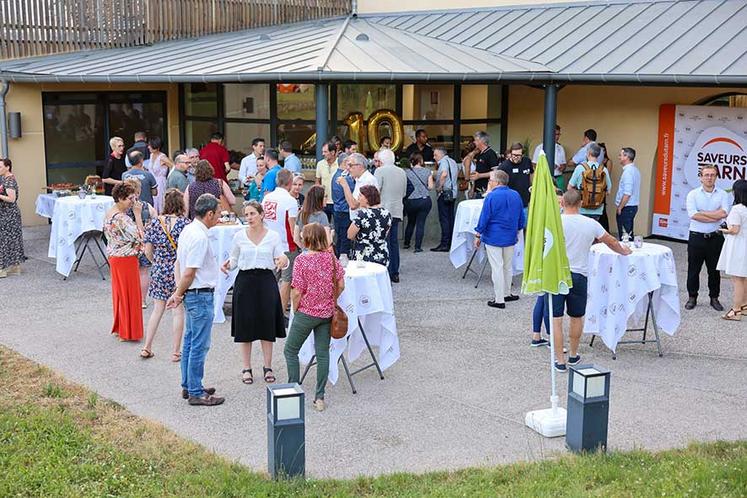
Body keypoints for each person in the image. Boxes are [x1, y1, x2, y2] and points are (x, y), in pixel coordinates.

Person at [553, 189, 631, 371]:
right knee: (576, 317)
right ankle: (573, 354)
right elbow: (610, 240)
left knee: (556, 319)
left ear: (562, 203)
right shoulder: (590, 223)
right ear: (580, 204)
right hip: (579, 274)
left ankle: (559, 360)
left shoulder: (555, 222)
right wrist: (624, 251)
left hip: (558, 275)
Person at [221, 201, 289, 385]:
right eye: (246, 214)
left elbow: (282, 256)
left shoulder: (273, 236)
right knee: (245, 326)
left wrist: (284, 260)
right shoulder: (239, 236)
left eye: (252, 213)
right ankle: (246, 368)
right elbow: (234, 258)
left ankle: (268, 366)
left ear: (261, 215)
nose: (249, 218)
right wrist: (228, 264)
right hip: (245, 281)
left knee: (267, 326)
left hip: (266, 281)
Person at [167, 193, 225, 406]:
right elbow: (189, 271)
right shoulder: (200, 237)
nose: (220, 216)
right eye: (218, 213)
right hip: (199, 294)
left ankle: (189, 384)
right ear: (209, 214)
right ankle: (196, 391)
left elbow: (180, 264)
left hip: (193, 294)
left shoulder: (189, 229)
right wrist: (178, 294)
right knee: (199, 345)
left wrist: (179, 292)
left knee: (190, 342)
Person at [285, 223, 346, 412]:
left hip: (306, 312)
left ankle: (292, 391)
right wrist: (331, 299)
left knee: (290, 350)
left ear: (308, 238)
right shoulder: (330, 258)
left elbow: (296, 291)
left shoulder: (302, 261)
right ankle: (320, 397)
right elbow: (341, 284)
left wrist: (297, 308)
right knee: (322, 353)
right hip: (326, 312)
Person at [141, 189, 188, 360]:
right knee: (178, 311)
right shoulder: (185, 224)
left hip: (160, 269)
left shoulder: (155, 223)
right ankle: (176, 351)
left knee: (157, 310)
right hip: (178, 271)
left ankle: (147, 347)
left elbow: (147, 250)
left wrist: (157, 262)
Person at [474, 170, 524, 309]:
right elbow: (521, 217)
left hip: (494, 236)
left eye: (490, 180)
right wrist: (518, 229)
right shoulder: (515, 195)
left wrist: (478, 234)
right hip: (510, 235)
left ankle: (499, 299)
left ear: (496, 182)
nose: (489, 182)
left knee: (497, 267)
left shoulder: (491, 197)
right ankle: (507, 293)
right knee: (508, 266)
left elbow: (484, 218)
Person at [685, 164, 730, 311]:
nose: (709, 177)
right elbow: (693, 215)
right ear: (701, 177)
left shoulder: (723, 194)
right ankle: (692, 297)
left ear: (716, 177)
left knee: (714, 270)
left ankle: (714, 298)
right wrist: (714, 215)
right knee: (693, 269)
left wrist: (703, 213)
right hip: (696, 238)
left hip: (715, 238)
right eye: (706, 175)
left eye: (712, 175)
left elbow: (724, 214)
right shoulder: (692, 194)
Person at [103, 182, 145, 342]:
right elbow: (140, 236)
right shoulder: (122, 218)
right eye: (130, 199)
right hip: (126, 258)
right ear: (120, 198)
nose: (132, 202)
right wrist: (139, 215)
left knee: (120, 295)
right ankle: (129, 332)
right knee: (130, 296)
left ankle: (122, 328)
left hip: (116, 257)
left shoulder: (110, 213)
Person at [262, 168, 299, 317]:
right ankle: (280, 313)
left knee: (269, 278)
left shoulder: (267, 198)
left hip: (269, 242)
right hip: (286, 245)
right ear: (290, 183)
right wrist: (299, 244)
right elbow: (292, 227)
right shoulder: (290, 201)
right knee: (286, 279)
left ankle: (265, 310)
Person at [374, 148, 407, 282]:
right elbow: (404, 193)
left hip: (383, 211)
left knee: (383, 242)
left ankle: (385, 270)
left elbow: (375, 192)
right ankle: (395, 272)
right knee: (393, 242)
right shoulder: (402, 172)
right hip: (397, 210)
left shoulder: (379, 171)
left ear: (381, 161)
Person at [124, 178, 157, 308]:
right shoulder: (147, 206)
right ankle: (142, 300)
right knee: (143, 272)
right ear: (139, 191)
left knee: (129, 273)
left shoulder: (123, 209)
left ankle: (130, 299)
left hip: (128, 245)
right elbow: (156, 220)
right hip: (144, 245)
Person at [717, 180, 747, 321]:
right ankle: (744, 306)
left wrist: (722, 229)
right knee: (744, 278)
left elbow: (734, 230)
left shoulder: (737, 209)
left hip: (738, 246)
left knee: (737, 279)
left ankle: (736, 311)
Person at [348, 185, 392, 266]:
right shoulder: (386, 213)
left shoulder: (362, 214)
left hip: (364, 255)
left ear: (367, 198)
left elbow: (350, 234)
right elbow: (386, 232)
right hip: (381, 253)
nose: (358, 198)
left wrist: (360, 237)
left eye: (360, 195)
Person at [568, 143, 611, 221]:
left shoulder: (580, 168)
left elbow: (569, 187)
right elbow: (608, 191)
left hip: (582, 207)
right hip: (597, 209)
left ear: (588, 153)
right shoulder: (603, 170)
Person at [403, 153, 434, 253]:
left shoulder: (406, 172)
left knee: (411, 222)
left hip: (410, 201)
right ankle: (417, 247)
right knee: (421, 223)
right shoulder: (427, 171)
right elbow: (430, 187)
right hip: (424, 200)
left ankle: (406, 243)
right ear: (420, 161)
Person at [336, 152, 379, 223]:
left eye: (350, 165)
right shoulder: (359, 179)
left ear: (360, 166)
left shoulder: (367, 180)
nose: (347, 168)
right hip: (359, 221)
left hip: (364, 223)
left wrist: (345, 185)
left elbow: (353, 205)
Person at [432, 146, 459, 252]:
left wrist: (439, 187)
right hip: (452, 193)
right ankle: (451, 242)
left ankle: (444, 244)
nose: (434, 157)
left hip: (444, 193)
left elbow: (444, 174)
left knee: (444, 219)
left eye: (436, 155)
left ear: (442, 154)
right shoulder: (452, 161)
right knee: (450, 218)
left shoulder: (443, 162)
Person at [0, 158, 24, 278]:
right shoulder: (5, 179)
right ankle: (15, 267)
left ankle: (2, 269)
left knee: (4, 241)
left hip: (9, 215)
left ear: (7, 167)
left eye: (0, 167)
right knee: (11, 240)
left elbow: (11, 199)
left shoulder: (9, 181)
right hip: (6, 214)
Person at [499, 142, 533, 219]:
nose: (515, 157)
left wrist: (532, 186)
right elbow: (497, 181)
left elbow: (531, 174)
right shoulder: (504, 166)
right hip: (510, 202)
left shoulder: (527, 161)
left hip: (525, 200)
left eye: (518, 155)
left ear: (523, 155)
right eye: (513, 155)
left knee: (524, 226)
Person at [331, 156, 355, 259]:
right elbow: (354, 191)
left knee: (339, 237)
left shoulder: (335, 175)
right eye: (349, 164)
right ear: (344, 163)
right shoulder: (345, 177)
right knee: (345, 238)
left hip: (337, 209)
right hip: (345, 210)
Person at [615, 147, 641, 239]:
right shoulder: (634, 170)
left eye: (620, 155)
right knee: (628, 234)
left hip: (626, 207)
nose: (619, 157)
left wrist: (620, 207)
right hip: (631, 207)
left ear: (626, 157)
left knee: (625, 236)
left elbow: (627, 193)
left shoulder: (628, 172)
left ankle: (626, 252)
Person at [294, 185, 331, 249]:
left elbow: (296, 239)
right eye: (325, 196)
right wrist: (331, 235)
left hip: (305, 253)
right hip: (319, 254)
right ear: (318, 199)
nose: (327, 199)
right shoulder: (322, 216)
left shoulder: (301, 214)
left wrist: (304, 249)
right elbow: (327, 241)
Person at [532, 125, 567, 190]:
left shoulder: (560, 148)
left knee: (560, 197)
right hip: (544, 178)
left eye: (558, 134)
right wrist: (548, 165)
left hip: (558, 177)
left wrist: (562, 167)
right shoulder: (540, 147)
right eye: (556, 134)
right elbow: (534, 164)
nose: (557, 137)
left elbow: (564, 164)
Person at [469, 131, 500, 198]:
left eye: (476, 140)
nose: (474, 142)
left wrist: (480, 175)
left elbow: (495, 173)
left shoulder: (491, 154)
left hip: (487, 191)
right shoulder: (479, 154)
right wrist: (472, 189)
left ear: (481, 141)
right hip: (478, 191)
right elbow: (477, 174)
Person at [146, 137, 173, 213]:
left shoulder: (162, 157)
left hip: (160, 182)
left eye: (150, 145)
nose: (148, 147)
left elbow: (174, 167)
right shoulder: (151, 155)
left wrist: (169, 177)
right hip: (152, 182)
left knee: (160, 203)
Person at [315, 141, 339, 221]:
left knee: (338, 228)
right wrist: (319, 198)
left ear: (332, 152)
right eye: (322, 151)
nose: (323, 154)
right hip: (324, 202)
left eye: (325, 152)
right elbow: (317, 181)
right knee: (323, 227)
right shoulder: (320, 164)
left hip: (337, 202)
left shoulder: (341, 164)